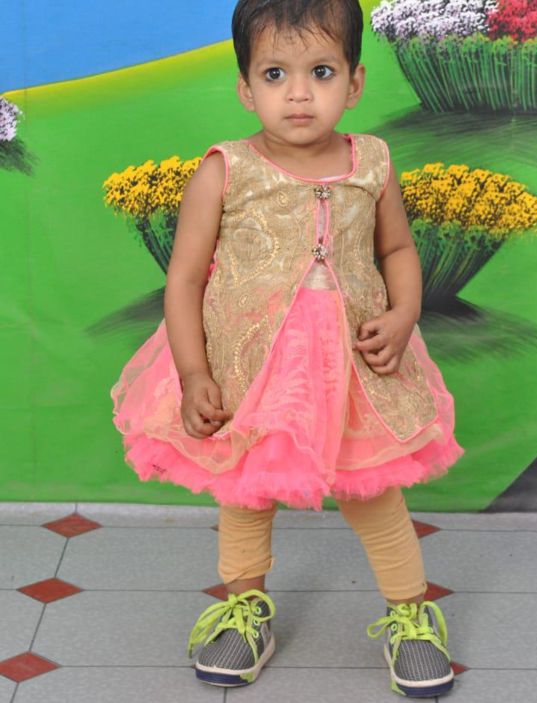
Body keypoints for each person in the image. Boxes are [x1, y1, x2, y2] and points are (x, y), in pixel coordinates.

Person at [111, 0, 465, 697]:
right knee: (247, 490)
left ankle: (410, 616)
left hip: (350, 368)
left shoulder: (372, 162)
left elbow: (397, 249)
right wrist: (193, 372)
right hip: (251, 369)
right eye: (275, 74)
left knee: (373, 490)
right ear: (246, 88)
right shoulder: (226, 170)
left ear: (354, 83)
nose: (298, 93)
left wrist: (405, 313)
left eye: (321, 72)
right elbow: (184, 279)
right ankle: (245, 611)